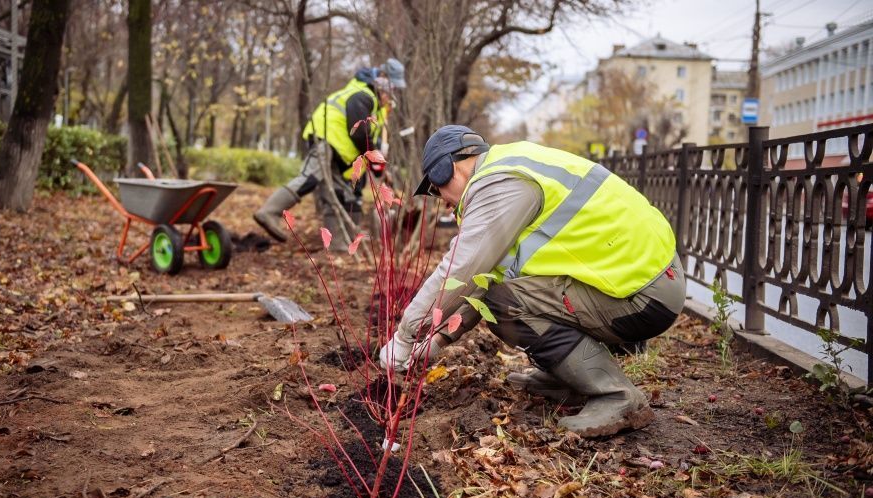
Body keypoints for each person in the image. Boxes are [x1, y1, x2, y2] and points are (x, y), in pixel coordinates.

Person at [379, 125, 686, 438]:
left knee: (504, 305)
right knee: (502, 295)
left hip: (640, 295)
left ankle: (617, 396)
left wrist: (405, 336)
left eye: (436, 189)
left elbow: (461, 269)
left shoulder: (499, 185)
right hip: (642, 280)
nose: (441, 199)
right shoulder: (511, 166)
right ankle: (571, 378)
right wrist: (439, 340)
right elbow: (485, 278)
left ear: (447, 169)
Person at [253, 59, 406, 251]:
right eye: (391, 89)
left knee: (341, 194)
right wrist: (375, 157)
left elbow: (366, 137)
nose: (391, 95)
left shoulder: (373, 104)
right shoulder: (363, 95)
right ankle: (269, 211)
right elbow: (360, 133)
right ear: (383, 80)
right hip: (325, 137)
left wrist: (377, 163)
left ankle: (340, 245)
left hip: (338, 147)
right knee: (310, 178)